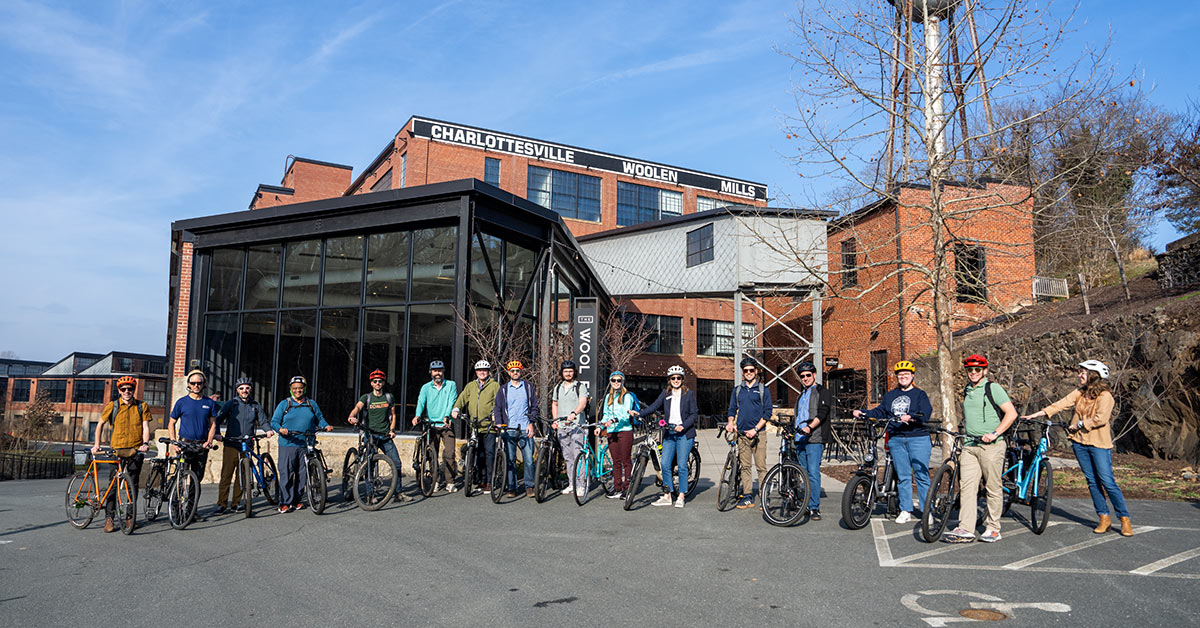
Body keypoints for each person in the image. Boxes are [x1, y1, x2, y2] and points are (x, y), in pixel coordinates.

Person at [1021, 359, 1133, 536]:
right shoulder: (1080, 393)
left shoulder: (1106, 396)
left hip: (1099, 444)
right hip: (1080, 443)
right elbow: (1061, 404)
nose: (1080, 375)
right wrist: (1037, 414)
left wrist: (1080, 424)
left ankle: (1124, 519)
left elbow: (1101, 419)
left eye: (1083, 372)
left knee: (1107, 481)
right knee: (1092, 481)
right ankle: (1104, 517)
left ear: (1093, 375)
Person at [944, 354, 1017, 543]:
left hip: (991, 446)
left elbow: (1011, 413)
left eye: (977, 369)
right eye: (970, 370)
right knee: (967, 487)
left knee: (993, 486)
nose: (973, 373)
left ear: (984, 370)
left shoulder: (993, 388)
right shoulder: (967, 390)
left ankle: (993, 528)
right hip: (970, 445)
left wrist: (995, 432)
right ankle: (966, 528)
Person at [852, 360, 932, 525]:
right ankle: (905, 510)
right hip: (896, 438)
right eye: (900, 375)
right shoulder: (890, 395)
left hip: (917, 437)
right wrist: (863, 413)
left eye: (906, 374)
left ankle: (927, 511)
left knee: (921, 475)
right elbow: (880, 411)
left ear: (912, 376)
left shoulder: (920, 394)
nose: (903, 377)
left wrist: (911, 416)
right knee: (903, 476)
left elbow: (926, 413)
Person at [91, 375, 151, 532]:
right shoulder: (113, 406)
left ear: (134, 390)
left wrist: (145, 443)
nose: (126, 392)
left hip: (135, 450)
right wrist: (96, 445)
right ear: (119, 390)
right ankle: (109, 518)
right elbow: (100, 425)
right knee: (113, 485)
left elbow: (145, 427)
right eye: (123, 389)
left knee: (133, 485)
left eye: (130, 389)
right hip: (116, 450)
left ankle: (130, 517)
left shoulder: (141, 406)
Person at [636, 365, 698, 508]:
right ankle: (667, 495)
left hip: (684, 434)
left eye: (678, 378)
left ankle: (681, 495)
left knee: (682, 465)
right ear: (669, 380)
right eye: (673, 378)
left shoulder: (688, 394)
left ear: (682, 379)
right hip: (669, 433)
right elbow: (653, 407)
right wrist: (639, 413)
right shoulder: (666, 394)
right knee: (665, 464)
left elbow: (694, 414)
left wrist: (683, 425)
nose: (675, 380)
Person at [270, 375, 332, 513]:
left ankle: (297, 500)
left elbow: (320, 419)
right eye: (295, 388)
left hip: (306, 442)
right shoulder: (284, 404)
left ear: (304, 389)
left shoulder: (311, 404)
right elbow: (274, 422)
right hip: (288, 443)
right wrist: (280, 429)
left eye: (300, 388)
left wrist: (326, 425)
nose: (298, 390)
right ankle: (285, 502)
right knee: (286, 473)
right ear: (291, 390)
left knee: (302, 473)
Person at [348, 369, 410, 502]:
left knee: (397, 463)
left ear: (383, 382)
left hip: (385, 435)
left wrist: (392, 430)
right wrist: (352, 415)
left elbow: (393, 415)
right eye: (375, 381)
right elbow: (358, 407)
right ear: (371, 383)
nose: (378, 383)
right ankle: (371, 495)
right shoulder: (367, 397)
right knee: (369, 464)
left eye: (380, 381)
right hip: (370, 435)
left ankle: (398, 493)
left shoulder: (388, 397)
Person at [213, 377, 274, 514]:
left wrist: (268, 430)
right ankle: (222, 504)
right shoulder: (231, 404)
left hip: (247, 444)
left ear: (250, 389)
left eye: (247, 388)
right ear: (237, 390)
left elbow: (263, 421)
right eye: (241, 388)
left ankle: (236, 503)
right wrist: (217, 434)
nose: (244, 390)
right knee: (226, 475)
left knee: (242, 476)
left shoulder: (255, 405)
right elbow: (217, 420)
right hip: (231, 443)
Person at [726, 357, 773, 509]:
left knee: (761, 467)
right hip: (742, 435)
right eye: (745, 371)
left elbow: (767, 413)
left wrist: (755, 429)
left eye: (751, 370)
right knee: (745, 467)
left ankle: (764, 496)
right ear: (742, 372)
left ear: (756, 371)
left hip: (759, 434)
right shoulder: (737, 390)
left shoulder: (763, 390)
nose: (748, 373)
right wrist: (730, 423)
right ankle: (747, 496)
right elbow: (732, 408)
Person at [792, 361, 834, 521]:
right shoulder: (801, 395)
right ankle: (806, 504)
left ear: (814, 375)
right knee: (803, 474)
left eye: (808, 375)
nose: (805, 378)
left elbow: (823, 413)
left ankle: (814, 507)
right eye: (802, 376)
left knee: (813, 473)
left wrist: (810, 427)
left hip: (814, 438)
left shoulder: (822, 392)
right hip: (799, 439)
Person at [452, 360, 500, 493]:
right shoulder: (471, 386)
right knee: (479, 454)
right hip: (474, 426)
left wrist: (496, 416)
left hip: (488, 426)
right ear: (476, 372)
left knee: (489, 454)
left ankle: (490, 481)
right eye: (479, 370)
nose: (482, 372)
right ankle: (481, 481)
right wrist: (456, 409)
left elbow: (498, 403)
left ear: (488, 372)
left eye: (484, 370)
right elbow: (462, 398)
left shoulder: (494, 386)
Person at [412, 360, 459, 492]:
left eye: (440, 370)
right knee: (433, 455)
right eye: (435, 371)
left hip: (446, 424)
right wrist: (417, 415)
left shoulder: (451, 385)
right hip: (431, 425)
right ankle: (435, 480)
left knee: (450, 454)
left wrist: (447, 416)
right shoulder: (426, 387)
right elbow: (421, 402)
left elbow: (452, 400)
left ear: (443, 371)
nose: (437, 373)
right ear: (431, 372)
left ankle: (450, 482)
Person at [168, 369, 218, 492]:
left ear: (203, 384)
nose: (196, 386)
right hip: (184, 444)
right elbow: (171, 423)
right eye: (193, 383)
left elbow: (213, 425)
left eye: (199, 383)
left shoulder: (209, 403)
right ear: (189, 384)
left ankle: (191, 509)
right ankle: (176, 508)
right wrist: (173, 442)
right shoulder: (182, 402)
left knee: (197, 478)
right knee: (181, 476)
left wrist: (209, 441)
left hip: (201, 445)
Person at [494, 360, 539, 498]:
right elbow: (498, 408)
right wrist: (499, 423)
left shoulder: (528, 387)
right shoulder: (504, 389)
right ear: (508, 373)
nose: (515, 373)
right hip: (510, 428)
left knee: (529, 460)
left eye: (517, 371)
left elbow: (534, 407)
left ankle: (529, 486)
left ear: (521, 372)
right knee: (510, 459)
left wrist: (532, 423)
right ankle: (511, 487)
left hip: (525, 428)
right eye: (512, 371)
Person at [551, 360, 590, 497]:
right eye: (565, 371)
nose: (568, 373)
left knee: (578, 456)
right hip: (562, 427)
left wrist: (575, 413)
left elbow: (583, 402)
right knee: (568, 457)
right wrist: (555, 420)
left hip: (577, 426)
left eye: (570, 371)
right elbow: (555, 404)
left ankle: (581, 485)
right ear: (562, 372)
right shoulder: (558, 387)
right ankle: (572, 483)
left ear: (574, 372)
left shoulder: (580, 386)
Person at [599, 370, 637, 500]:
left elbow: (626, 415)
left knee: (626, 460)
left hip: (625, 430)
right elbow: (605, 414)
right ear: (610, 382)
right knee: (616, 461)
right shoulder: (608, 398)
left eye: (618, 380)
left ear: (622, 382)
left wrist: (614, 420)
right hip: (612, 432)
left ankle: (627, 488)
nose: (616, 383)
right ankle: (617, 488)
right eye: (613, 380)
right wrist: (601, 425)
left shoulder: (627, 396)